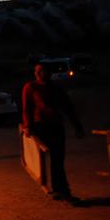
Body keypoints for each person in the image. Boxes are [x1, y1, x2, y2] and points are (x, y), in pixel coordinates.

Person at [21, 63, 85, 203]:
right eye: (36, 71)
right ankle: (55, 189)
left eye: (41, 71)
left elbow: (68, 108)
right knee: (40, 160)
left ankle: (61, 190)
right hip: (40, 126)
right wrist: (27, 126)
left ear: (48, 72)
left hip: (55, 126)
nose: (38, 74)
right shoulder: (30, 87)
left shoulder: (56, 88)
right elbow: (26, 109)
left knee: (58, 161)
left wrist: (77, 126)